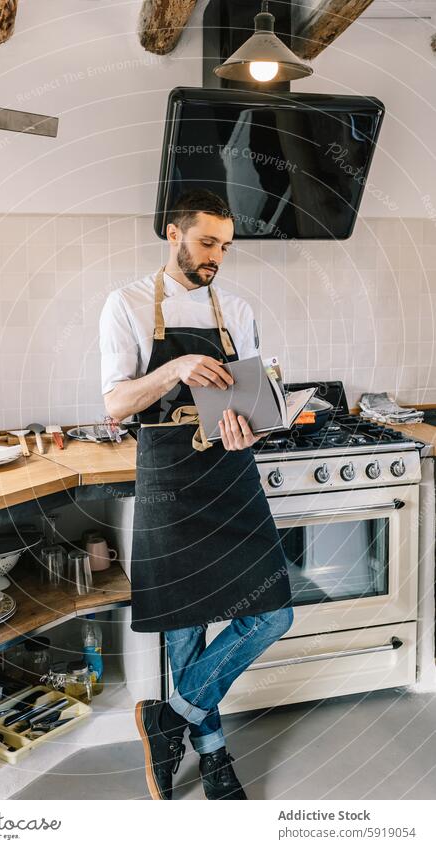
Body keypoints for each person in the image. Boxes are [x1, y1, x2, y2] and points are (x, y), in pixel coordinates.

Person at [99, 189, 294, 800]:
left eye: (225, 247)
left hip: (230, 475)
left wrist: (250, 425)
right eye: (206, 242)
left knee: (272, 613)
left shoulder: (235, 307)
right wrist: (174, 369)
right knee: (185, 623)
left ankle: (171, 715)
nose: (216, 257)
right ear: (172, 233)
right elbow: (114, 406)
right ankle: (212, 752)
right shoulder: (126, 304)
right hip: (171, 480)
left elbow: (245, 402)